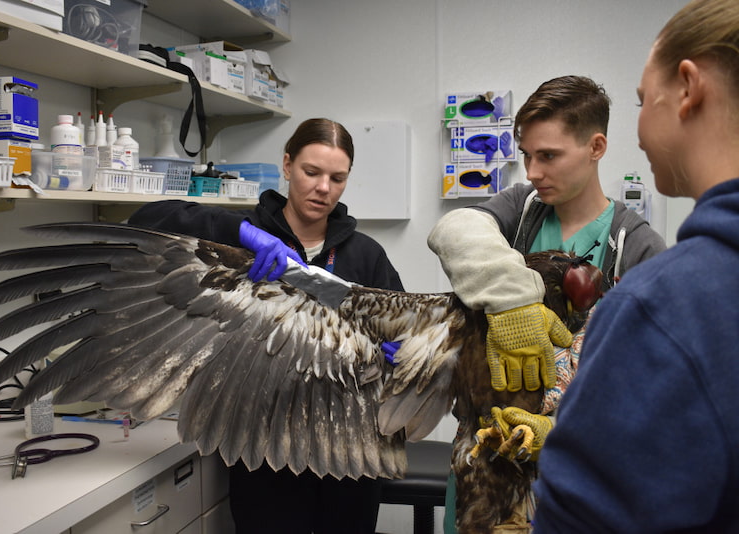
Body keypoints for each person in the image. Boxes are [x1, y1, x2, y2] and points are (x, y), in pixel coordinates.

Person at [128, 118, 404, 534]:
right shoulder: (242, 235)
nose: (323, 188)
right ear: (288, 164)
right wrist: (238, 232)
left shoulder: (366, 254)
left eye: (337, 178)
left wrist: (402, 351)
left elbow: (400, 327)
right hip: (264, 442)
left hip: (350, 445)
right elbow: (144, 218)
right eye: (312, 172)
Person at [532, 1, 739, 531]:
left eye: (644, 100)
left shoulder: (660, 302)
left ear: (689, 89)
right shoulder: (521, 213)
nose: (641, 125)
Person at [427, 75, 667, 532]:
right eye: (527, 156)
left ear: (596, 147)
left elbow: (645, 385)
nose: (533, 172)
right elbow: (453, 230)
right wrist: (514, 302)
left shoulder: (636, 246)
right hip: (485, 454)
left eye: (549, 156)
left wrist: (559, 431)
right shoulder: (520, 209)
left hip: (580, 466)